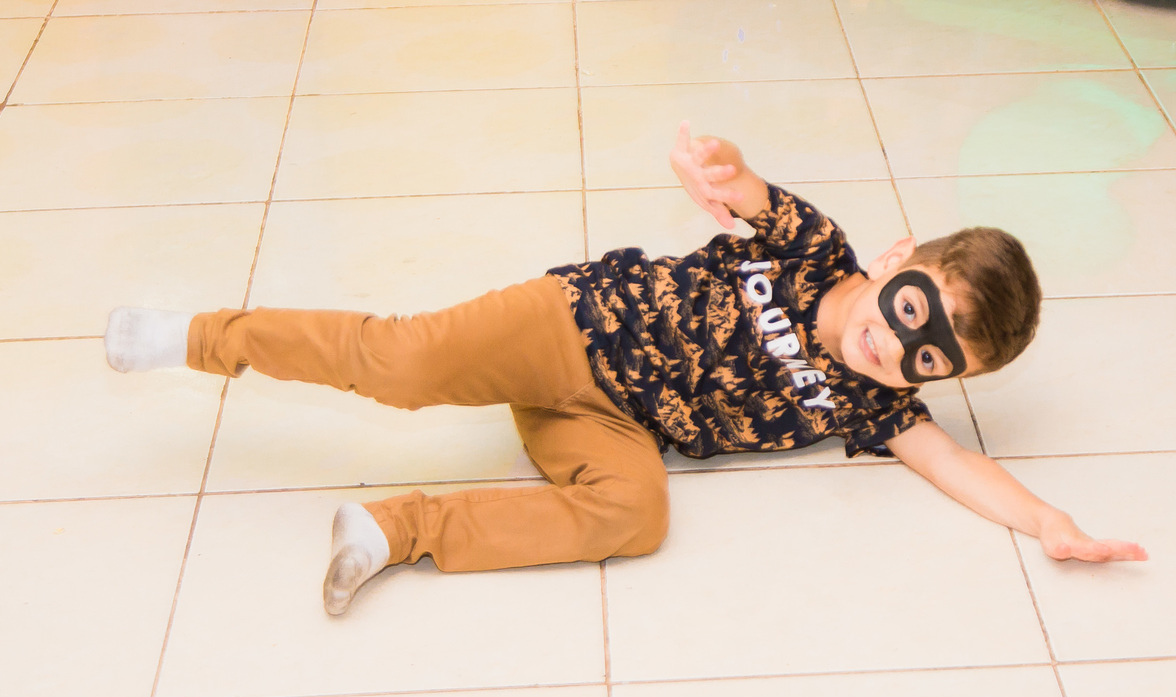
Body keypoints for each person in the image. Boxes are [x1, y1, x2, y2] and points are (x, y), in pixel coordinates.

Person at [104, 122, 1148, 616]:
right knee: (401, 362)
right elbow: (747, 189)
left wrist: (1050, 522)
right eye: (911, 309)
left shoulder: (876, 403)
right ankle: (192, 335)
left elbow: (958, 465)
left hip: (606, 423)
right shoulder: (815, 247)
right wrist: (719, 170)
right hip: (569, 327)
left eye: (931, 356)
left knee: (635, 515)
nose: (898, 345)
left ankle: (393, 528)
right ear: (896, 259)